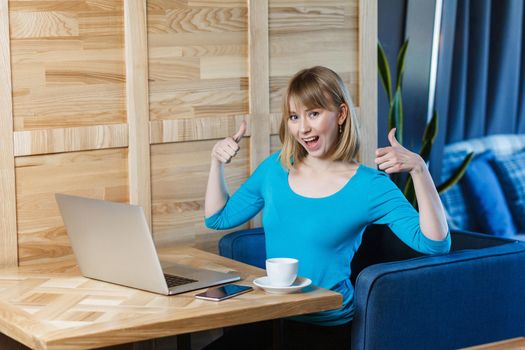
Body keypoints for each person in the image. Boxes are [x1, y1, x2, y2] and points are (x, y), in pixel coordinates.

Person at [203, 66, 450, 349]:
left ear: (341, 114)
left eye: (314, 114)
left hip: (325, 328)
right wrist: (216, 162)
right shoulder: (274, 169)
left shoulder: (370, 186)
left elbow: (435, 244)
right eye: (295, 117)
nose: (303, 128)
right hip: (273, 317)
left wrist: (419, 170)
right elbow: (217, 219)